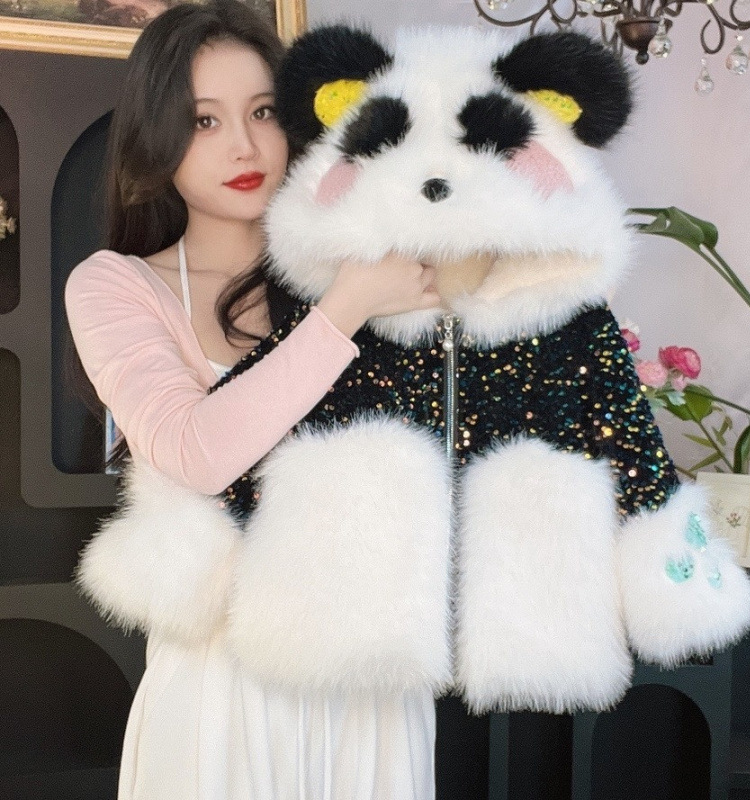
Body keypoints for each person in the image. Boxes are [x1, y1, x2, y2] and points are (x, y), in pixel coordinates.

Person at [64, 2, 440, 798]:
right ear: (158, 138)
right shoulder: (115, 286)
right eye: (204, 121)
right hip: (222, 685)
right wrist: (349, 305)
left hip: (369, 680)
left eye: (263, 112)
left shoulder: (372, 270)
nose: (243, 145)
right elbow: (197, 453)